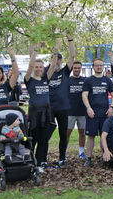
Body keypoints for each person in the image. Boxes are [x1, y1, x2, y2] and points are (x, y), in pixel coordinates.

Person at [44, 33, 76, 167]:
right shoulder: (46, 71)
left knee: (64, 134)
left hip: (63, 108)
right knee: (45, 135)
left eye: (59, 59)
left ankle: (62, 158)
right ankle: (42, 159)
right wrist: (56, 48)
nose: (57, 61)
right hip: (49, 107)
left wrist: (70, 39)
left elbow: (72, 56)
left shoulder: (64, 72)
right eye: (55, 59)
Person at [25, 43, 57, 171]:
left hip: (46, 113)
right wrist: (35, 49)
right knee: (33, 138)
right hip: (34, 114)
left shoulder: (45, 78)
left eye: (40, 67)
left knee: (44, 139)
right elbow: (30, 65)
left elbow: (53, 65)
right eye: (36, 67)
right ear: (33, 68)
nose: (38, 69)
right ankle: (30, 162)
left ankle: (41, 162)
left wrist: (56, 48)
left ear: (43, 68)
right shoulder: (29, 79)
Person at [82, 58, 113, 167]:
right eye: (97, 65)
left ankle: (105, 157)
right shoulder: (88, 80)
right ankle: (88, 158)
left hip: (105, 112)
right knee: (91, 136)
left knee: (104, 136)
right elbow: (84, 95)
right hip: (92, 112)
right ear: (93, 66)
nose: (99, 67)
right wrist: (88, 108)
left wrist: (112, 107)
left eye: (101, 65)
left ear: (103, 67)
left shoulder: (107, 80)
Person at [67, 61, 87, 159]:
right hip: (70, 112)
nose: (77, 70)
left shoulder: (85, 80)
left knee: (82, 133)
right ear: (72, 69)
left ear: (81, 69)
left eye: (79, 68)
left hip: (82, 112)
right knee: (67, 133)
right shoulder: (68, 80)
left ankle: (81, 152)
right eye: (75, 68)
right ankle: (64, 153)